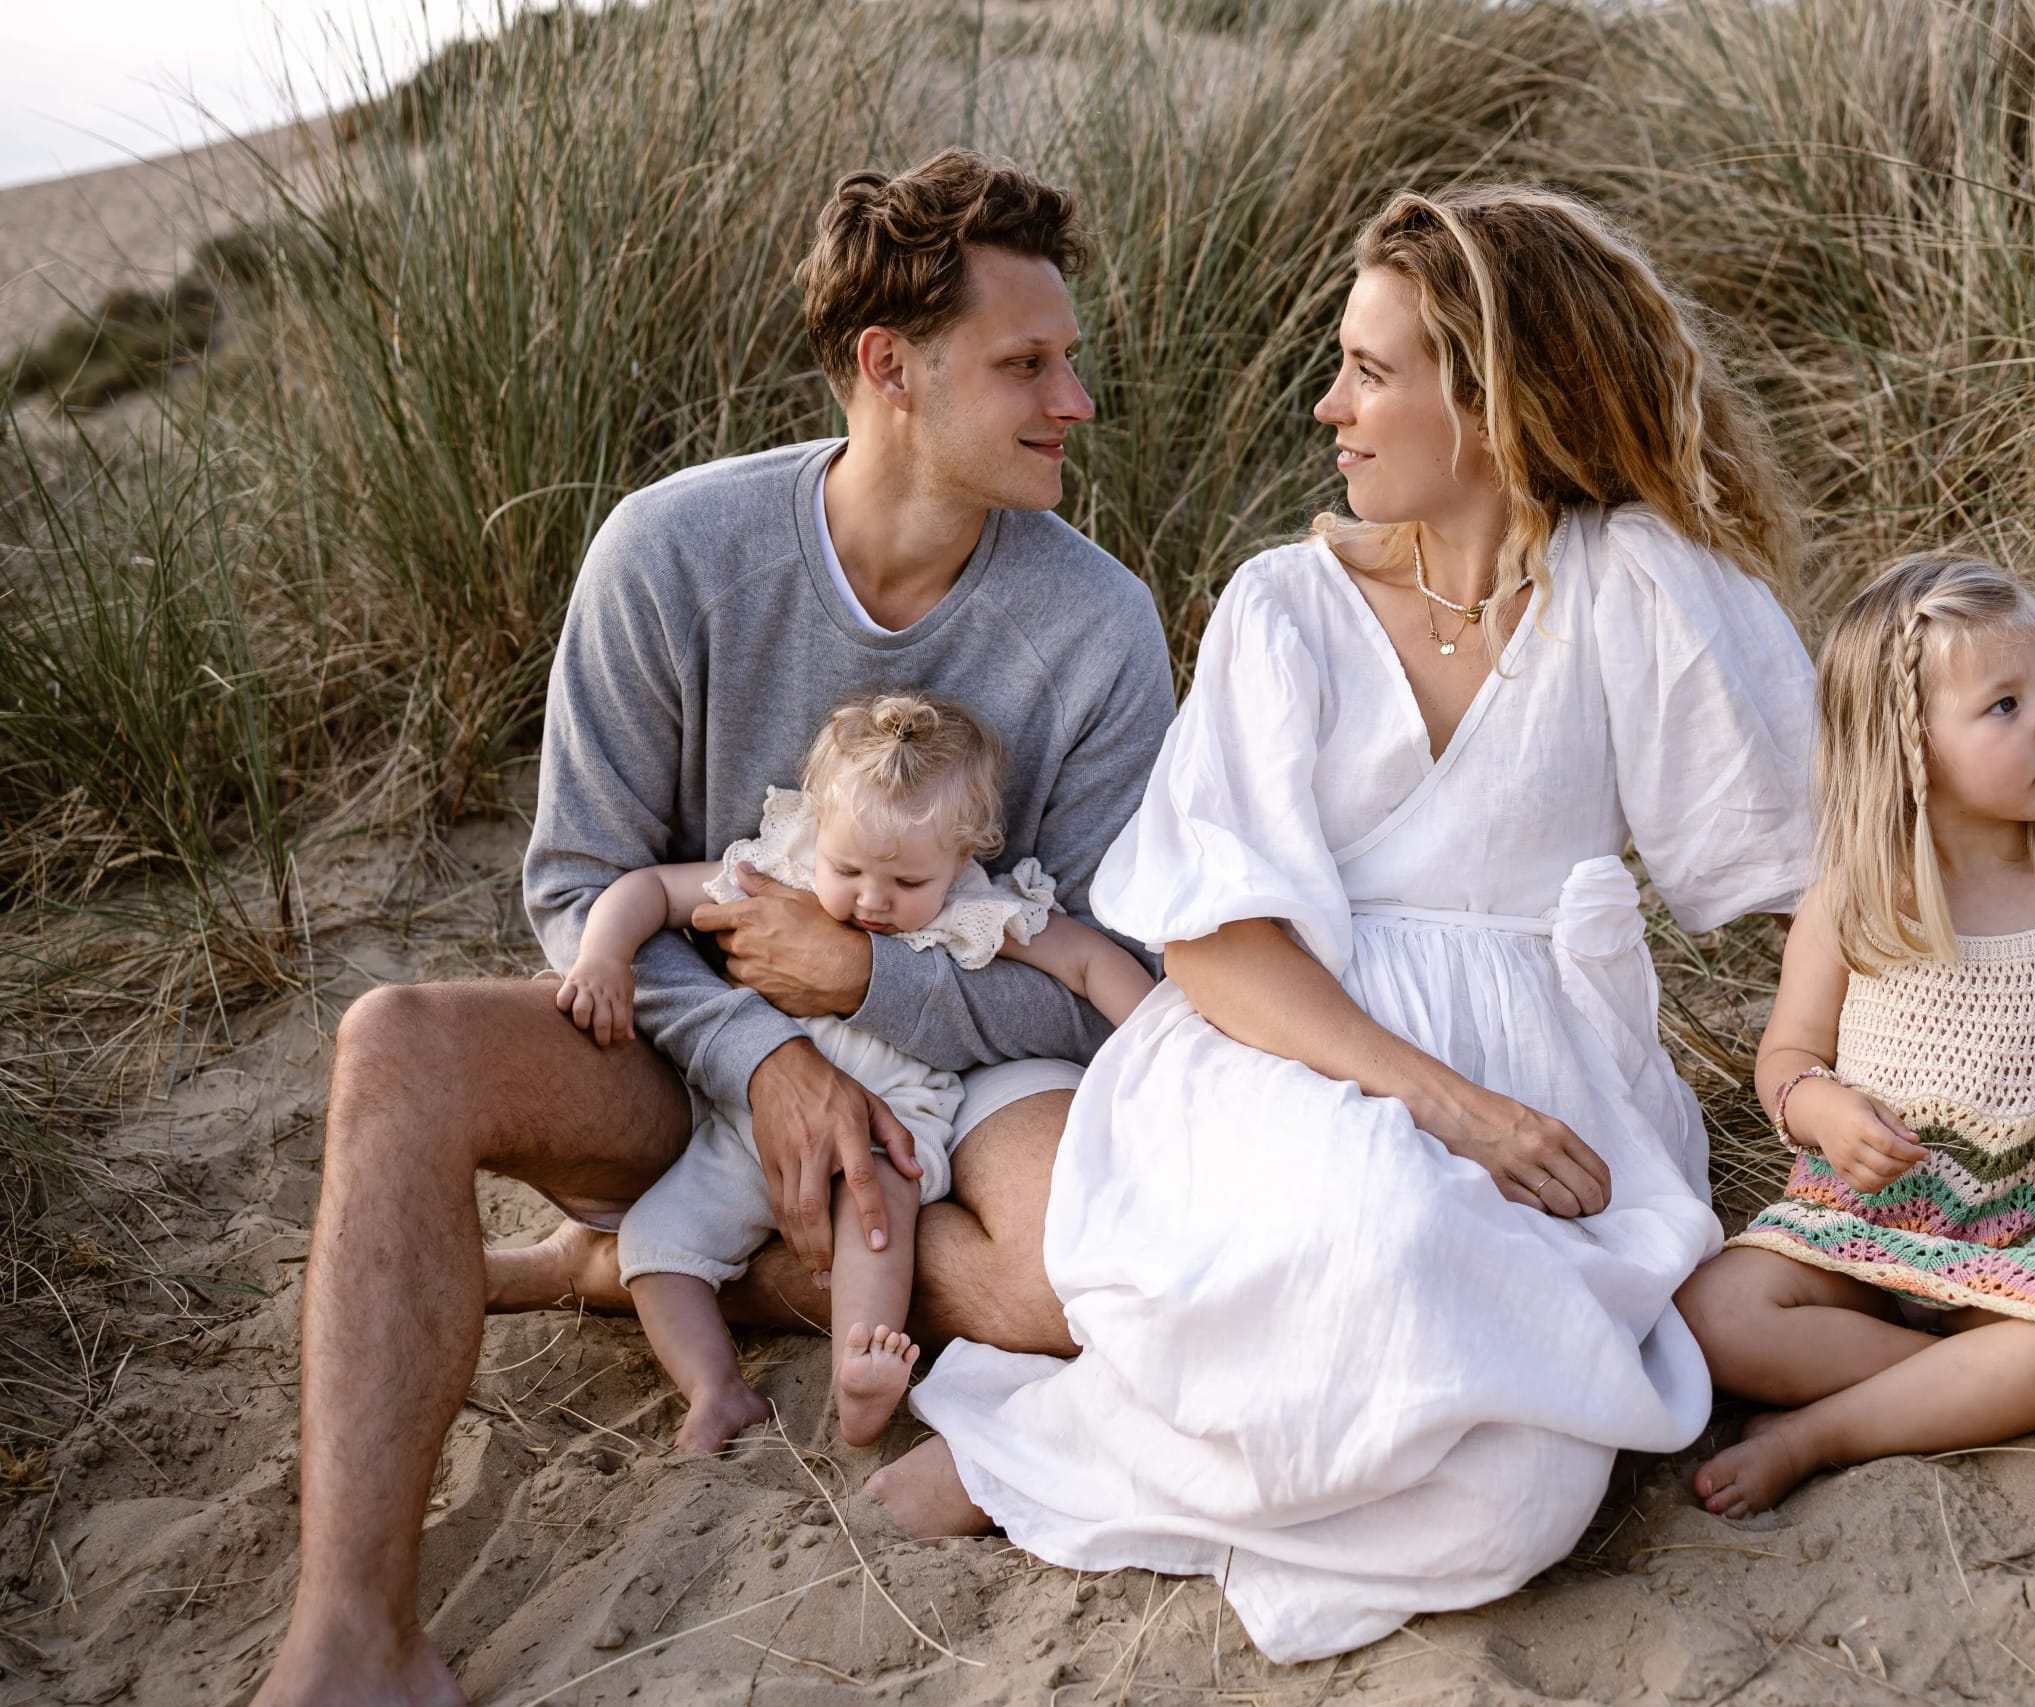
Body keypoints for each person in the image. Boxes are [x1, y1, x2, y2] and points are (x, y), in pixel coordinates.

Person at [251, 150, 1175, 1707]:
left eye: (1067, 356)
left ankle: (642, 1263)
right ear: (890, 365)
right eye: (1029, 362)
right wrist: (763, 1058)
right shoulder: (670, 553)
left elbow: (1099, 989)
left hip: (959, 1099)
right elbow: (576, 882)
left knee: (1071, 1288)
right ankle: (352, 1634)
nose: (1073, 397)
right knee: (393, 1041)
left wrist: (871, 981)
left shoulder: (1098, 627)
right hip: (675, 1069)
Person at [863, 184, 1820, 1663]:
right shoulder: (1284, 606)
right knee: (1378, 1223)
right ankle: (1040, 1447)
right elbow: (1215, 941)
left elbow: (1808, 863)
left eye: (1371, 372)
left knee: (1524, 1500)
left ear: (1495, 402)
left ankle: (1108, 1460)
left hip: (1548, 1056)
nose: (1330, 406)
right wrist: (1453, 1107)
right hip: (1289, 1044)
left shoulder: (1637, 585)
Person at [1676, 554, 2035, 1518]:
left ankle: (1826, 1430)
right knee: (1712, 1313)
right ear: (1909, 745)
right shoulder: (1851, 903)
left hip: (2034, 1231)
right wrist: (1820, 1108)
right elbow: (1784, 1057)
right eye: (2004, 704)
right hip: (1868, 1226)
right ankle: (1976, 1389)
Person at [551, 691, 1153, 1453]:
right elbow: (651, 890)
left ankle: (859, 1374)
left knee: (876, 1217)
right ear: (818, 830)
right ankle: (713, 1387)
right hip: (754, 1112)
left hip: (895, 1113)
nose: (873, 899)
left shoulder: (966, 905)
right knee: (655, 1243)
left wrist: (1159, 1042)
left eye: (905, 886)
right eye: (849, 869)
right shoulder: (785, 868)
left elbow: (1090, 958)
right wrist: (602, 954)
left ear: (962, 856)